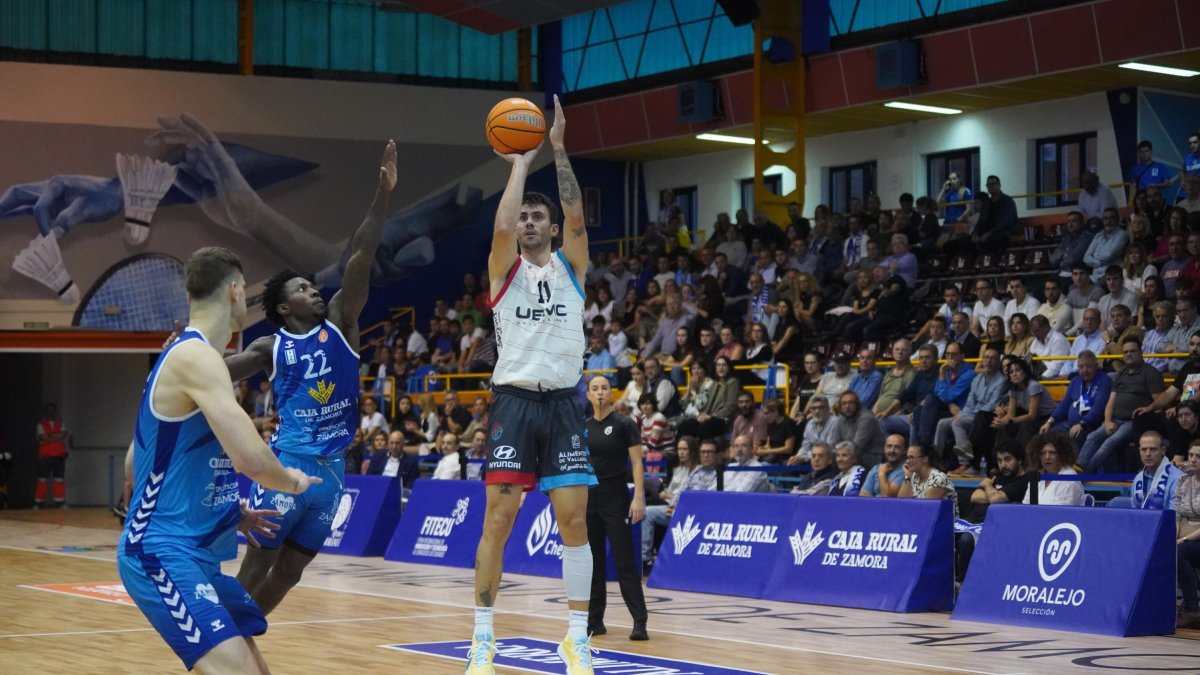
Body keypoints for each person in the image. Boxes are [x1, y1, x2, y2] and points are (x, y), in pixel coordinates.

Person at [118, 247, 320, 673]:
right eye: (244, 289)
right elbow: (252, 459)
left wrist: (228, 512)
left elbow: (137, 464)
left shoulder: (182, 358)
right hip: (161, 553)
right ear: (233, 291)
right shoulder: (196, 357)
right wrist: (293, 481)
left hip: (194, 554)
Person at [219, 141, 395, 618]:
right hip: (286, 467)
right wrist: (180, 355)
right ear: (282, 308)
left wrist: (382, 195)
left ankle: (247, 635)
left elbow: (360, 254)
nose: (313, 290)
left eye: (312, 285)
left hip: (334, 472)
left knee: (291, 574)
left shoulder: (341, 323)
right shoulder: (269, 347)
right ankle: (217, 644)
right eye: (302, 288)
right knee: (255, 570)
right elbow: (211, 372)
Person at [466, 97, 599, 674]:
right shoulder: (504, 272)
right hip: (515, 403)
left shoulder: (572, 267)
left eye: (536, 217)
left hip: (563, 405)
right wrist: (519, 162)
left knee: (574, 522)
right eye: (524, 216)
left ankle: (575, 638)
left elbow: (577, 218)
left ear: (548, 227)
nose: (528, 222)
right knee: (498, 520)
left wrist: (560, 148)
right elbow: (499, 225)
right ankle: (483, 640)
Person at [582, 375, 648, 641]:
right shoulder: (582, 426)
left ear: (612, 393)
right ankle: (595, 621)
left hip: (616, 499)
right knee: (594, 563)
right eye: (595, 389)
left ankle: (639, 621)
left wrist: (638, 497)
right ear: (588, 395)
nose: (600, 393)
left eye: (604, 388)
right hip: (589, 500)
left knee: (624, 562)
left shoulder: (624, 424)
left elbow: (637, 464)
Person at [1042, 350, 1111, 455]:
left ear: (1096, 366)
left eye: (1088, 366)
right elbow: (1064, 405)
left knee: (1076, 434)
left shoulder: (1104, 380)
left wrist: (1082, 424)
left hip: (1092, 425)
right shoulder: (1076, 381)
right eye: (1081, 367)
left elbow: (1099, 408)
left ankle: (1076, 467)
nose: (1085, 370)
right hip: (1071, 424)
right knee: (1049, 432)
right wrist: (1049, 421)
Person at [1174, 440, 1200, 629]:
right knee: (1167, 550)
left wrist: (1183, 539)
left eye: (1198, 456)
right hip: (1184, 535)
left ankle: (1192, 610)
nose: (1193, 460)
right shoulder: (1183, 481)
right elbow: (1177, 515)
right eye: (1191, 455)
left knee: (1177, 553)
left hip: (1193, 539)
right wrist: (1175, 535)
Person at [1124, 431, 1184, 510]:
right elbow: (1134, 510)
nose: (1148, 454)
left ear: (1163, 450)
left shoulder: (1178, 478)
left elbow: (1174, 516)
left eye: (1153, 449)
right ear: (1139, 451)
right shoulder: (1138, 479)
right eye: (1144, 450)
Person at [1023, 432, 1085, 506]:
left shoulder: (1069, 478)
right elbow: (1026, 506)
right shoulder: (1037, 476)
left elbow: (1060, 513)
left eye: (1052, 453)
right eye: (1043, 453)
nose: (1047, 457)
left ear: (1062, 454)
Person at [898, 444, 958, 517]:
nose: (907, 461)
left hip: (945, 522)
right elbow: (901, 503)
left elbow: (925, 510)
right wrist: (908, 476)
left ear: (925, 459)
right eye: (907, 458)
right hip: (919, 518)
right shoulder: (913, 476)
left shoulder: (938, 478)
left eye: (911, 457)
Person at [35, 402, 70, 508]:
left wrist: (49, 437)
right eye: (48, 410)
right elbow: (42, 437)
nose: (50, 412)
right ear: (45, 412)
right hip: (45, 456)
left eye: (52, 410)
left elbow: (63, 435)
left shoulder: (61, 425)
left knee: (59, 480)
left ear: (55, 412)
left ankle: (60, 502)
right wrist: (56, 436)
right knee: (42, 480)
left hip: (59, 456)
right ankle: (38, 502)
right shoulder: (40, 425)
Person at [859, 433, 906, 498]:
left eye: (897, 447)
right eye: (889, 446)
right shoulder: (876, 468)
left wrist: (882, 474)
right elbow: (863, 495)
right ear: (884, 448)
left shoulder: (905, 471)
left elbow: (887, 498)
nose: (892, 450)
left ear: (904, 450)